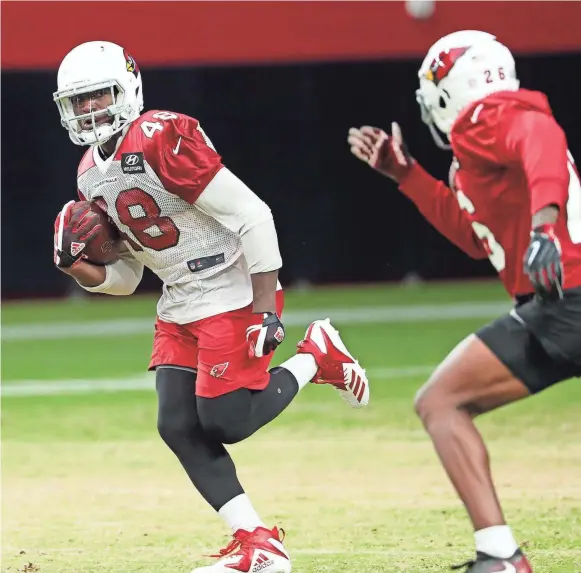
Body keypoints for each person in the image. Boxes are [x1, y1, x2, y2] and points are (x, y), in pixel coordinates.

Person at [53, 40, 370, 573]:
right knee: (176, 424)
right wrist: (78, 270)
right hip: (178, 297)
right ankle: (258, 542)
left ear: (127, 88)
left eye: (99, 96)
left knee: (224, 420)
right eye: (79, 102)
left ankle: (317, 354)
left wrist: (268, 308)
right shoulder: (89, 173)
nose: (90, 111)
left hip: (231, 284)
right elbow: (130, 277)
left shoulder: (161, 135)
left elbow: (254, 214)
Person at [348, 30, 581, 573]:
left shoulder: (490, 119)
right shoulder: (482, 147)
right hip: (556, 304)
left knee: (441, 403)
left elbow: (538, 134)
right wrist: (405, 175)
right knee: (442, 402)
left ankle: (500, 556)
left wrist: (546, 225)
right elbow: (477, 238)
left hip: (565, 298)